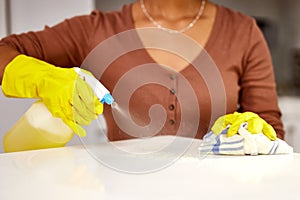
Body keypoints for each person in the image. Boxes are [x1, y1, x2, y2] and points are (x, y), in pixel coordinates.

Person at [0, 0, 285, 144]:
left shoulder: (243, 32)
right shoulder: (96, 30)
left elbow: (271, 129)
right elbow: (4, 50)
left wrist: (255, 134)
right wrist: (46, 79)